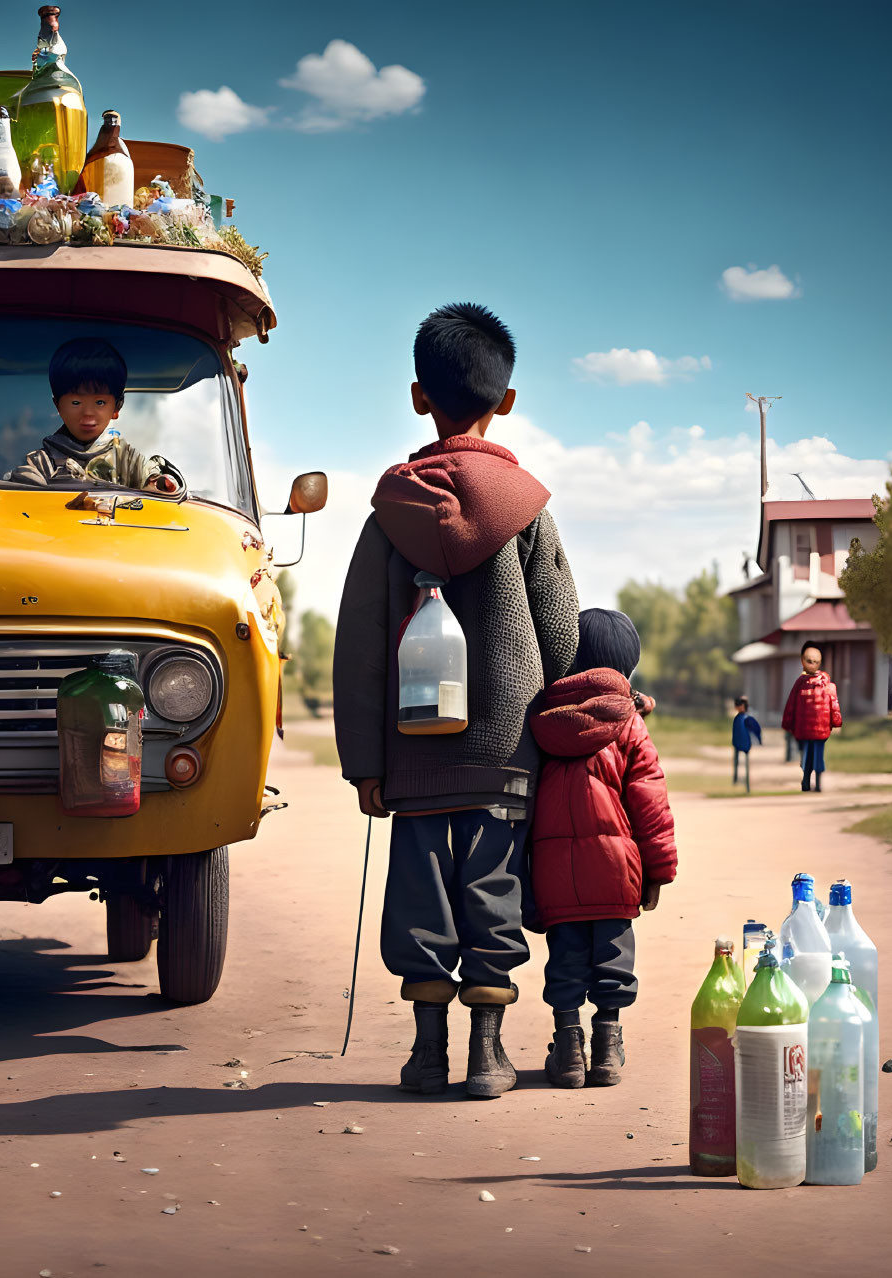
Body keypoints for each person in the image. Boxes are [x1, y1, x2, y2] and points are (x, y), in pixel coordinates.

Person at [333, 302, 579, 1101]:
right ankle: (487, 1053)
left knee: (420, 900)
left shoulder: (386, 518)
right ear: (504, 400)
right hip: (505, 756)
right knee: (491, 894)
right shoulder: (527, 515)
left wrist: (364, 763)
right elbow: (562, 638)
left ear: (417, 396)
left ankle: (424, 1054)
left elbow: (359, 649)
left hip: (411, 761)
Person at [528, 609, 676, 1089]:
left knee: (566, 959)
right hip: (615, 870)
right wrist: (658, 871)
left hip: (554, 873)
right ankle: (608, 1050)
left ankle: (569, 1053)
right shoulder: (629, 724)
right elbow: (649, 801)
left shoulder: (544, 720)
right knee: (613, 959)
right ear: (626, 669)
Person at [9, 337, 178, 492]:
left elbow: (158, 484)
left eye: (100, 403)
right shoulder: (41, 464)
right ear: (58, 406)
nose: (88, 413)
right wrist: (26, 485)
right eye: (76, 403)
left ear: (117, 408)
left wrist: (160, 482)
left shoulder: (128, 461)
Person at [782, 641, 842, 792]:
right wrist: (836, 722)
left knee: (807, 755)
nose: (812, 664)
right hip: (821, 730)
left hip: (804, 730)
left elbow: (791, 706)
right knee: (817, 756)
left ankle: (807, 780)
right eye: (810, 661)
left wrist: (788, 724)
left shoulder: (800, 684)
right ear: (803, 661)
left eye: (815, 661)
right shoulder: (827, 684)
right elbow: (834, 705)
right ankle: (816, 782)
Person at [732, 695, 763, 791]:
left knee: (745, 765)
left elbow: (756, 729)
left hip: (745, 744)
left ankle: (746, 785)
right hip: (738, 743)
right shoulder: (739, 718)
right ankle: (736, 780)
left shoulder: (745, 718)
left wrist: (759, 740)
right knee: (737, 762)